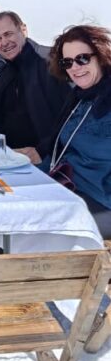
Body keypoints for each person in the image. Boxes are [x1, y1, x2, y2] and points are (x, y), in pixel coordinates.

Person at [0, 10, 68, 152]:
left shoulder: (51, 63)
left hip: (48, 162)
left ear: (23, 30)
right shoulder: (3, 72)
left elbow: (73, 119)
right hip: (10, 157)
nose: (4, 42)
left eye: (8, 34)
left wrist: (43, 151)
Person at [42, 24, 111, 236]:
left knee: (42, 227)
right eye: (67, 62)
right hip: (69, 187)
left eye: (83, 58)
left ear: (100, 56)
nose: (75, 67)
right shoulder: (80, 98)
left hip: (101, 201)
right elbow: (63, 148)